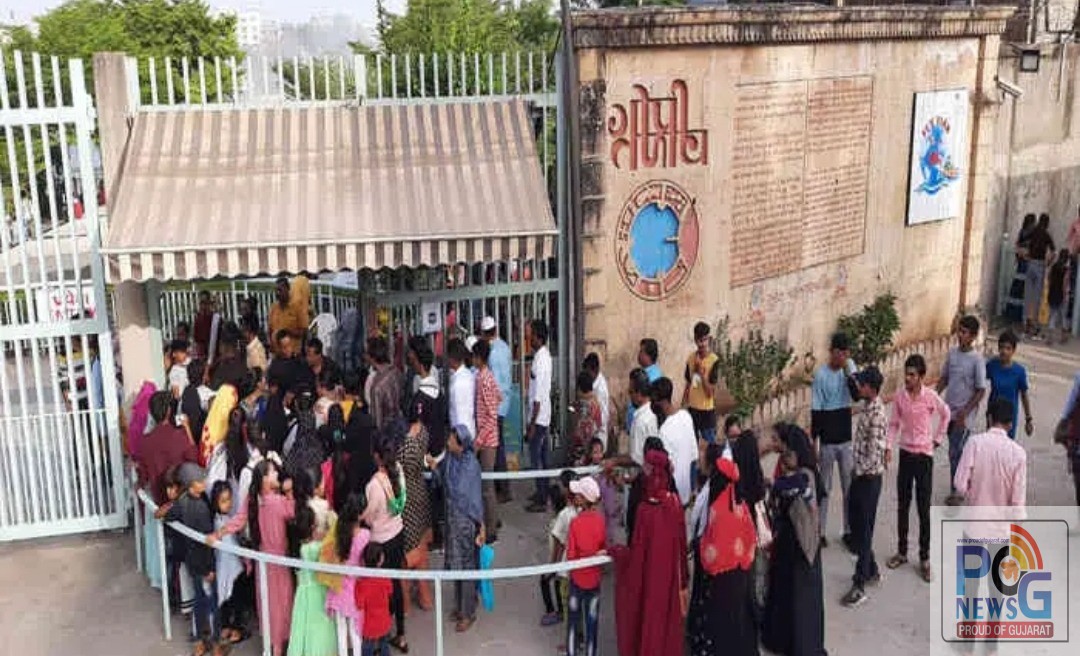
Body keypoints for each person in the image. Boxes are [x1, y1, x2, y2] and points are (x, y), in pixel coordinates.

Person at [213, 459, 296, 656]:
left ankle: (271, 645)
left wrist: (219, 532)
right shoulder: (277, 501)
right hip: (279, 562)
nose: (277, 474)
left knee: (267, 604)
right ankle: (279, 647)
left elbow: (239, 520)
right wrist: (289, 492)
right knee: (282, 604)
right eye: (273, 472)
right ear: (265, 479)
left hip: (262, 561)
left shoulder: (254, 499)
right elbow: (294, 511)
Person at [611, 448, 688, 656]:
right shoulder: (675, 504)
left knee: (650, 623)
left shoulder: (645, 510)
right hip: (669, 580)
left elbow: (636, 555)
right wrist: (683, 583)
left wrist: (617, 552)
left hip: (650, 579)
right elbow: (682, 547)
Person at [761, 424, 827, 656]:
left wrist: (774, 486)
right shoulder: (792, 469)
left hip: (801, 546)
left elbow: (788, 491)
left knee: (800, 599)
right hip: (789, 542)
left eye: (778, 442)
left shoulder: (805, 475)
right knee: (785, 592)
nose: (775, 446)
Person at [690, 447, 760, 656]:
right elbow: (751, 538)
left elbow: (711, 552)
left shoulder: (718, 508)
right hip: (741, 574)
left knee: (721, 625)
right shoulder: (740, 503)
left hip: (721, 579)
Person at [887, 354, 950, 583]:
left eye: (912, 375)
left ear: (921, 377)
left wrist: (937, 439)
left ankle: (924, 558)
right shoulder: (900, 397)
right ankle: (902, 551)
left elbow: (946, 414)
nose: (908, 378)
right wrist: (888, 447)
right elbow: (894, 424)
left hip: (924, 456)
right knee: (903, 505)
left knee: (923, 508)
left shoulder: (930, 397)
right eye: (906, 374)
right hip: (906, 454)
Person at [427, 424, 485, 633]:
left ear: (460, 445)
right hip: (452, 522)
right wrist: (435, 468)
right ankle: (461, 606)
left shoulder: (471, 466)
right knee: (456, 565)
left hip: (466, 524)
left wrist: (481, 526)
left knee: (467, 567)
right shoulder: (451, 459)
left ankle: (468, 612)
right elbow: (442, 482)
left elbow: (470, 497)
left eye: (452, 439)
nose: (448, 441)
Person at [156, 462, 218, 653]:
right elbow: (207, 541)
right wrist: (210, 568)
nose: (204, 482)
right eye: (200, 480)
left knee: (199, 598)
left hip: (192, 562)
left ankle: (199, 640)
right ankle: (210, 641)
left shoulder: (181, 502)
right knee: (209, 601)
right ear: (191, 485)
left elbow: (165, 516)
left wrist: (165, 508)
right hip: (203, 563)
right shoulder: (202, 506)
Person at [842, 367, 888, 607]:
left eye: (862, 384)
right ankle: (871, 569)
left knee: (864, 530)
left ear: (871, 387)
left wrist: (858, 472)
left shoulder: (877, 414)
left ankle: (859, 584)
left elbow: (875, 452)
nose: (858, 387)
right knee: (857, 526)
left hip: (868, 478)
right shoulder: (867, 407)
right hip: (860, 475)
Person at [361, 438, 408, 652]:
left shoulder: (374, 485)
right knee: (395, 585)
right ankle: (401, 633)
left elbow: (370, 516)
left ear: (376, 456)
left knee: (380, 591)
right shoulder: (398, 470)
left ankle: (381, 636)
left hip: (381, 540)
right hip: (398, 533)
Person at [811, 332, 857, 550]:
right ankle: (820, 531)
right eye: (841, 354)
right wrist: (814, 441)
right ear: (833, 352)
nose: (844, 358)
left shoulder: (849, 368)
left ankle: (848, 530)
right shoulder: (821, 375)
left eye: (847, 354)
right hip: (828, 440)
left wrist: (849, 372)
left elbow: (856, 395)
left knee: (849, 487)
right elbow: (816, 410)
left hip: (845, 439)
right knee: (825, 488)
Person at [938, 315, 987, 503]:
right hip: (949, 413)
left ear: (973, 336)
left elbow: (981, 390)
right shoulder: (952, 354)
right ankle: (963, 484)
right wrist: (933, 397)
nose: (960, 335)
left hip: (964, 417)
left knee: (956, 452)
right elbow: (944, 378)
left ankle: (957, 491)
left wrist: (965, 412)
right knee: (955, 451)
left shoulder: (977, 360)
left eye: (965, 332)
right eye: (959, 331)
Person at [954, 398, 1027, 510]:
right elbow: (1018, 500)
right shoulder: (1019, 453)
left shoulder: (974, 443)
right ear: (1010, 424)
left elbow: (960, 484)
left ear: (989, 419)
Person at [322, 493, 370, 656]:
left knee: (341, 633)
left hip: (337, 588)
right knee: (355, 632)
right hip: (355, 590)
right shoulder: (365, 535)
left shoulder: (339, 532)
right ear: (359, 514)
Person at [288, 499, 337, 656]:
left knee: (303, 628)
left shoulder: (297, 547)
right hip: (317, 592)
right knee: (320, 628)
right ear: (312, 526)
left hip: (302, 593)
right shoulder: (315, 548)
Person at [565, 476, 607, 656]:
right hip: (594, 580)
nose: (575, 496)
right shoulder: (600, 521)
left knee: (573, 623)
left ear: (583, 499)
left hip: (577, 580)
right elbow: (603, 549)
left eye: (578, 494)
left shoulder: (575, 523)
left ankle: (571, 652)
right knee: (592, 623)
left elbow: (571, 556)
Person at [398, 408, 434, 613]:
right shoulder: (424, 432)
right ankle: (425, 598)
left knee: (405, 555)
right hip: (420, 492)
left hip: (407, 500)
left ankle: (404, 605)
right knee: (421, 551)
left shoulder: (404, 445)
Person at [210, 481, 248, 646]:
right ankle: (234, 629)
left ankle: (228, 627)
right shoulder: (220, 522)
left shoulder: (223, 519)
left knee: (229, 598)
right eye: (223, 501)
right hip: (231, 567)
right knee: (233, 600)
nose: (228, 504)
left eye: (229, 499)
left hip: (229, 567)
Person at [481, 316, 514, 503]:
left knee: (496, 447)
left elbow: (492, 382)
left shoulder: (491, 353)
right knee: (499, 445)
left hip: (495, 404)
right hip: (505, 402)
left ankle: (503, 488)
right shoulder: (505, 347)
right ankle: (503, 487)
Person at [472, 339, 502, 544]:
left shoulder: (485, 380)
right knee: (486, 485)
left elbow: (492, 415)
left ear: (479, 358)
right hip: (486, 437)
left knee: (487, 488)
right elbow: (498, 397)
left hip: (487, 440)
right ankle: (493, 520)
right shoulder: (484, 376)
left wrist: (479, 441)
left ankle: (491, 530)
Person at [540, 470, 579, 628]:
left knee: (556, 586)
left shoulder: (564, 516)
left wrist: (553, 565)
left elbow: (559, 544)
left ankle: (557, 613)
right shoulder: (578, 511)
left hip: (563, 563)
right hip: (573, 561)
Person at [652, 377, 697, 507]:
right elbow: (694, 457)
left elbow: (664, 469)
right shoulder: (686, 416)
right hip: (685, 495)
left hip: (671, 499)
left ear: (659, 401)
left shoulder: (664, 431)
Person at [526, 320, 554, 513]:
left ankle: (543, 499)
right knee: (542, 456)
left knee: (537, 458)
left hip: (540, 416)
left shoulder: (541, 359)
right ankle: (542, 491)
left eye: (531, 335)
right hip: (541, 414)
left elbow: (539, 394)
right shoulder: (541, 356)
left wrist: (532, 423)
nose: (529, 338)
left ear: (538, 337)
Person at [985, 330, 1032, 440]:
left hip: (1009, 416)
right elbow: (979, 382)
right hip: (993, 413)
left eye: (1008, 348)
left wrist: (1028, 419)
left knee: (1007, 444)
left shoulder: (1019, 371)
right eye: (1001, 347)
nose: (1004, 351)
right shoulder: (992, 365)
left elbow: (1024, 395)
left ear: (1013, 350)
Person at [682, 321, 721, 445]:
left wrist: (701, 373)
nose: (702, 344)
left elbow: (710, 393)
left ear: (709, 339)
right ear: (695, 340)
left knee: (710, 447)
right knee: (692, 447)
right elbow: (688, 384)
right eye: (699, 340)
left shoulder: (714, 361)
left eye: (705, 340)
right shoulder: (690, 358)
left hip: (706, 412)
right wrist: (683, 407)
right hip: (692, 410)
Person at [354, 543, 394, 656]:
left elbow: (359, 604)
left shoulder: (362, 584)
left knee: (367, 646)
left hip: (369, 623)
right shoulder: (385, 578)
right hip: (384, 620)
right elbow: (390, 593)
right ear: (380, 560)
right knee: (384, 643)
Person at [1023, 213, 1055, 336]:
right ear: (1047, 223)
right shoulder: (1046, 235)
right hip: (1040, 264)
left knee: (1028, 295)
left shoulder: (1033, 231)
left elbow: (1022, 241)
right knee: (1037, 297)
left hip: (1031, 263)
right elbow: (1053, 251)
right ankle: (1034, 324)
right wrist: (1049, 262)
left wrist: (1026, 255)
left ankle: (1026, 322)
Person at [589, 438, 622, 546]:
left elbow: (618, 483)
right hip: (598, 508)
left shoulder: (608, 467)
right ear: (590, 454)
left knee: (610, 533)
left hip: (610, 509)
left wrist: (613, 474)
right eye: (595, 452)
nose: (598, 455)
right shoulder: (589, 470)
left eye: (600, 452)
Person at [366, 336, 403, 431]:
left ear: (372, 358)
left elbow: (377, 422)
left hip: (388, 432)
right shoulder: (397, 372)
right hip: (401, 426)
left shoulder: (377, 386)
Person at [626, 338, 663, 432]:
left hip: (641, 426)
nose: (638, 354)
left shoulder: (652, 376)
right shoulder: (645, 373)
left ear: (648, 355)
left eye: (641, 351)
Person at [269, 277, 311, 356]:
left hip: (293, 354)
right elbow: (270, 329)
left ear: (288, 289)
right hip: (277, 354)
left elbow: (304, 331)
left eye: (280, 290)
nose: (277, 293)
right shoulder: (273, 308)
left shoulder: (297, 307)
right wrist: (271, 344)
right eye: (276, 290)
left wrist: (288, 332)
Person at [570, 370, 603, 467]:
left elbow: (580, 428)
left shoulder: (583, 405)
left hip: (582, 449)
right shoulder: (595, 402)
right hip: (593, 446)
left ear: (580, 388)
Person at [583, 352, 611, 451]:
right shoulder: (593, 383)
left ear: (595, 370)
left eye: (589, 372)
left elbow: (603, 416)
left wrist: (591, 428)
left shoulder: (601, 389)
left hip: (598, 434)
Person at [1048, 248, 1071, 343]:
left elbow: (1049, 277)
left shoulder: (1054, 266)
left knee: (1052, 315)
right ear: (1067, 259)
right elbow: (1065, 284)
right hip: (1061, 294)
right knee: (1063, 316)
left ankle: (1050, 337)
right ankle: (1063, 337)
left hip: (1052, 293)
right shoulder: (1066, 269)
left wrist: (1050, 288)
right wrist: (1065, 296)